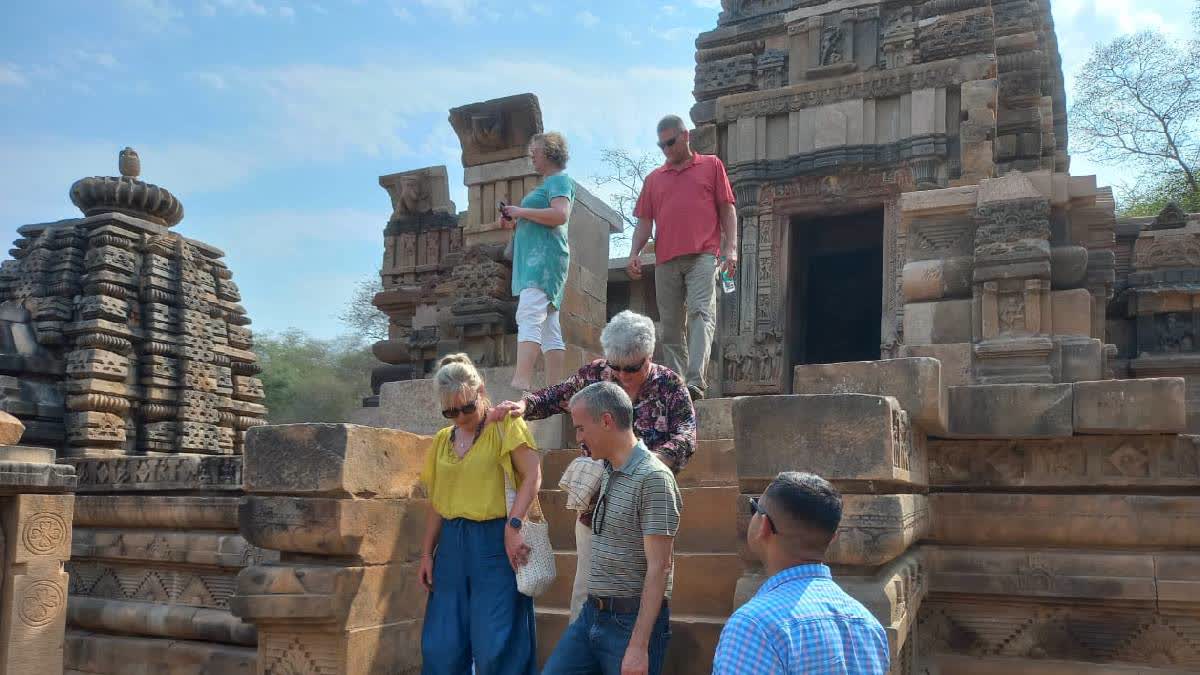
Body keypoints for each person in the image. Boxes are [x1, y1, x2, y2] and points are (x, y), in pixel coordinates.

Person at [491, 309, 696, 619]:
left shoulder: (670, 385)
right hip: (596, 507)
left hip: (647, 506)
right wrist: (524, 404)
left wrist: (648, 462)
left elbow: (687, 436)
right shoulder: (596, 375)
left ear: (649, 356)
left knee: (650, 587)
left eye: (632, 368)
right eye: (617, 368)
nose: (623, 376)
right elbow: (558, 394)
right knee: (587, 592)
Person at [542, 382, 682, 675]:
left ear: (606, 421)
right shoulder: (609, 468)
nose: (579, 438)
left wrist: (638, 645)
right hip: (592, 614)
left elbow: (661, 568)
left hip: (629, 623)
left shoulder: (654, 478)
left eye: (581, 428)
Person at [418, 353, 543, 675]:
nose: (460, 417)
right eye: (450, 412)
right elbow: (437, 501)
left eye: (467, 407)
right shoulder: (443, 440)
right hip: (451, 548)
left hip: (496, 541)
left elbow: (533, 476)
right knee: (442, 645)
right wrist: (426, 553)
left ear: (481, 391)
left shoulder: (506, 426)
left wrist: (513, 525)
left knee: (497, 645)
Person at [712, 472, 890, 675]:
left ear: (763, 525)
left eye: (754, 507)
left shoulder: (754, 627)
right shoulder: (868, 623)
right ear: (833, 538)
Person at [626, 114, 737, 401]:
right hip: (666, 259)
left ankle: (695, 381)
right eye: (661, 145)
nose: (666, 149)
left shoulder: (711, 166)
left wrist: (731, 248)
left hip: (703, 254)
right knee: (672, 327)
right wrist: (634, 253)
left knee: (701, 314)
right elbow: (644, 222)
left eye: (670, 142)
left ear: (685, 136)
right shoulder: (654, 179)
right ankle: (678, 389)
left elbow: (727, 208)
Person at [499, 131, 575, 392]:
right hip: (538, 261)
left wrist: (520, 211)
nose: (532, 156)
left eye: (536, 152)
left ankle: (521, 381)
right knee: (549, 325)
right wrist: (517, 220)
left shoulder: (559, 181)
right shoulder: (548, 185)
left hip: (543, 262)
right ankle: (555, 389)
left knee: (530, 313)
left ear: (550, 152)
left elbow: (560, 214)